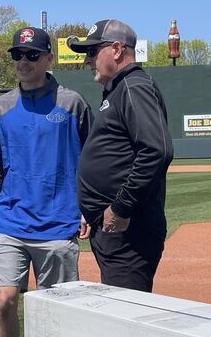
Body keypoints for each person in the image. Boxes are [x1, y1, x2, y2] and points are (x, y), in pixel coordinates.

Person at [0, 27, 92, 337]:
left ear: (49, 58)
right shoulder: (0, 108)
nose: (23, 61)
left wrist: (87, 209)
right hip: (9, 221)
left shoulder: (73, 104)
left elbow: (92, 161)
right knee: (4, 300)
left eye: (32, 55)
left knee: (56, 311)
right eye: (17, 55)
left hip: (58, 223)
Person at [69, 19, 174, 293]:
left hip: (128, 232)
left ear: (117, 49)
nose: (87, 61)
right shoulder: (118, 89)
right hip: (115, 230)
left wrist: (120, 208)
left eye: (92, 52)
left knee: (126, 318)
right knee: (122, 312)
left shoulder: (133, 86)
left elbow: (156, 150)